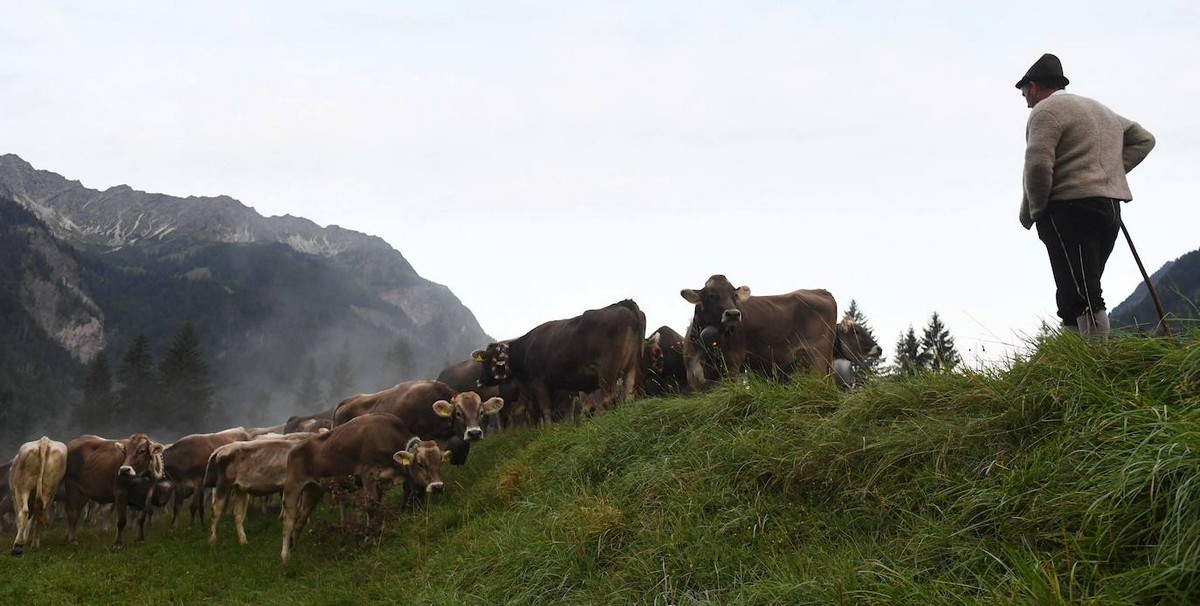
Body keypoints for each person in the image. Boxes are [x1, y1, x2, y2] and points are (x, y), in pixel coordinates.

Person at [1017, 53, 1155, 337]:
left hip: (1068, 209)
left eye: (1023, 91)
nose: (1024, 98)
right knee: (1074, 287)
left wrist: (1037, 209)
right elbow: (1144, 139)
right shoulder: (1098, 109)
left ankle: (1095, 363)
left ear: (1033, 86)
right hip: (1108, 209)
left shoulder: (1044, 112)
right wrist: (1106, 173)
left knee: (1083, 291)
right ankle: (1070, 359)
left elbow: (1039, 164)